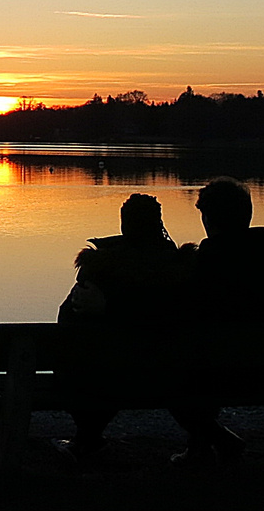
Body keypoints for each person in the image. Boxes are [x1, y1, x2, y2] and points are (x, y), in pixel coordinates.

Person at [168, 176, 264, 468]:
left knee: (173, 376)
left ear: (207, 218)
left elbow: (184, 318)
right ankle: (203, 449)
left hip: (214, 370)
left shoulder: (204, 261)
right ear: (247, 213)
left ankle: (220, 442)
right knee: (207, 357)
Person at [52, 193, 186, 463]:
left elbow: (66, 322)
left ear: (124, 225)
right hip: (169, 376)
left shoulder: (99, 267)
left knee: (78, 359)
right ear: (158, 224)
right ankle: (88, 439)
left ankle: (87, 439)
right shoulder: (181, 267)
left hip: (108, 378)